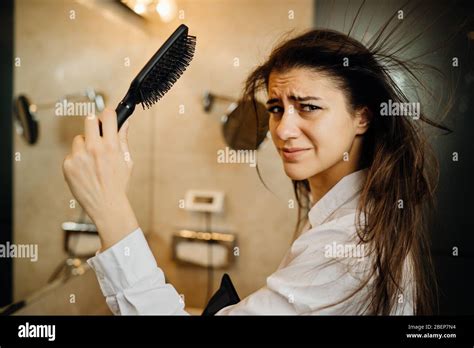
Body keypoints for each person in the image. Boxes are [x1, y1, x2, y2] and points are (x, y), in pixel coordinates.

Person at [62, 26, 447, 315]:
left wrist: (109, 205)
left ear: (361, 117)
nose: (283, 129)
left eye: (308, 107)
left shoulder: (348, 250)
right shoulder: (349, 221)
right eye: (277, 108)